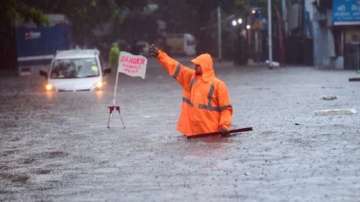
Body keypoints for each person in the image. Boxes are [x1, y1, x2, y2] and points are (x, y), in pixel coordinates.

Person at [149, 45, 233, 137]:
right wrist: (160, 55)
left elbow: (226, 109)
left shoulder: (218, 85)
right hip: (191, 133)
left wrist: (224, 126)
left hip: (210, 132)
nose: (195, 67)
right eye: (195, 65)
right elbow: (174, 66)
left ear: (206, 66)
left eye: (198, 65)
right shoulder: (190, 78)